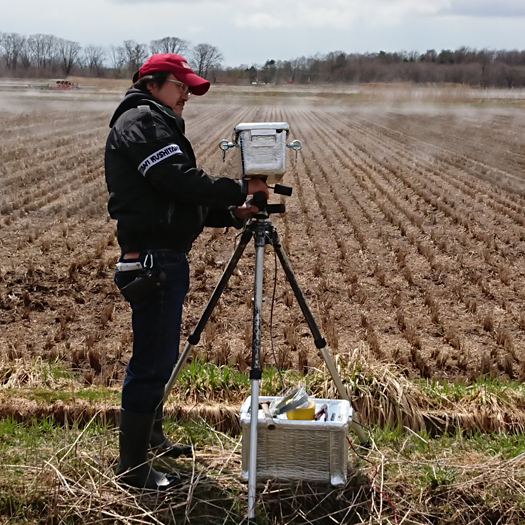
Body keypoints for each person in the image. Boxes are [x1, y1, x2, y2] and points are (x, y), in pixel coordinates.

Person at [105, 53, 268, 490]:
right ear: (154, 83)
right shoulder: (141, 121)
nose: (186, 97)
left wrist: (231, 212)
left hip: (163, 256)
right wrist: (238, 187)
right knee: (151, 363)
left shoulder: (153, 121)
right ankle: (134, 470)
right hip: (154, 261)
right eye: (181, 87)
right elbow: (178, 179)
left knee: (158, 358)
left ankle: (151, 438)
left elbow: (175, 202)